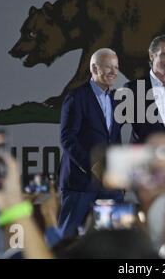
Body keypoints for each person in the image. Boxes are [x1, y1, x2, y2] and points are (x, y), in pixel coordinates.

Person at [58, 48, 124, 239]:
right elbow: (67, 138)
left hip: (110, 185)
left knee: (111, 242)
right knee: (67, 241)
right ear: (94, 68)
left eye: (116, 67)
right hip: (80, 184)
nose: (114, 72)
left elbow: (115, 140)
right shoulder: (75, 98)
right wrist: (92, 166)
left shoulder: (116, 100)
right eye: (108, 67)